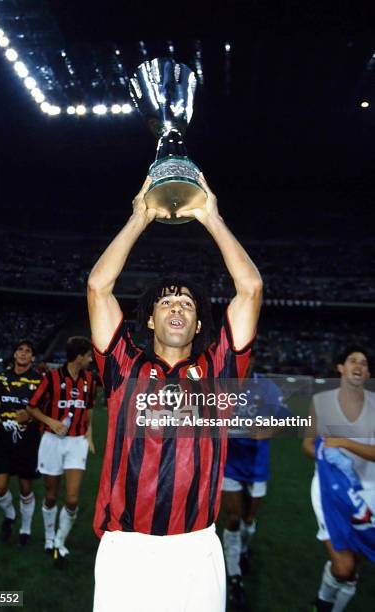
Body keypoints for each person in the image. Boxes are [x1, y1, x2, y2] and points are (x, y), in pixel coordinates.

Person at [87, 175, 263, 612]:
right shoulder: (124, 366)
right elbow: (98, 288)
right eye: (166, 302)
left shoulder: (219, 370)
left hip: (195, 547)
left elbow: (251, 290)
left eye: (187, 303)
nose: (178, 307)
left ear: (200, 324)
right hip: (125, 547)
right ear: (149, 319)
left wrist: (211, 218)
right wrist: (138, 218)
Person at [303, 346, 375, 611]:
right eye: (352, 360)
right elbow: (308, 445)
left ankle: (328, 605)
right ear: (340, 368)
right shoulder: (321, 402)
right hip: (330, 491)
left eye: (364, 363)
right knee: (344, 568)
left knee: (354, 562)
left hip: (369, 491)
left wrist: (344, 443)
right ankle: (324, 601)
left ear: (367, 373)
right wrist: (325, 454)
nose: (359, 365)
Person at [222, 355, 289, 610]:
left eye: (248, 359)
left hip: (257, 466)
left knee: (249, 521)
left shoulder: (267, 387)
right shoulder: (222, 387)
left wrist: (265, 430)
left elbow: (284, 419)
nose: (244, 364)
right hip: (230, 465)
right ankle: (234, 577)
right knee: (233, 518)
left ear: (253, 361)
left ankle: (243, 550)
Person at [27, 336, 95, 567]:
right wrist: (51, 421)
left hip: (76, 443)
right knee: (51, 495)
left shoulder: (89, 380)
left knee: (73, 498)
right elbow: (31, 406)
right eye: (88, 355)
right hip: (52, 441)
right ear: (79, 356)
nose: (90, 359)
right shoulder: (51, 377)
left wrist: (90, 433)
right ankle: (48, 538)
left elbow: (90, 408)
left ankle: (59, 541)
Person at [0, 340, 42, 544]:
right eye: (20, 350)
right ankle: (10, 515)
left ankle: (25, 528)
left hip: (28, 441)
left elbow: (47, 412)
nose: (23, 353)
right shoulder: (1, 377)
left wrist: (30, 417)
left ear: (33, 357)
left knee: (25, 488)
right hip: (3, 440)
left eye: (28, 351)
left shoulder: (40, 381)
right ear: (14, 355)